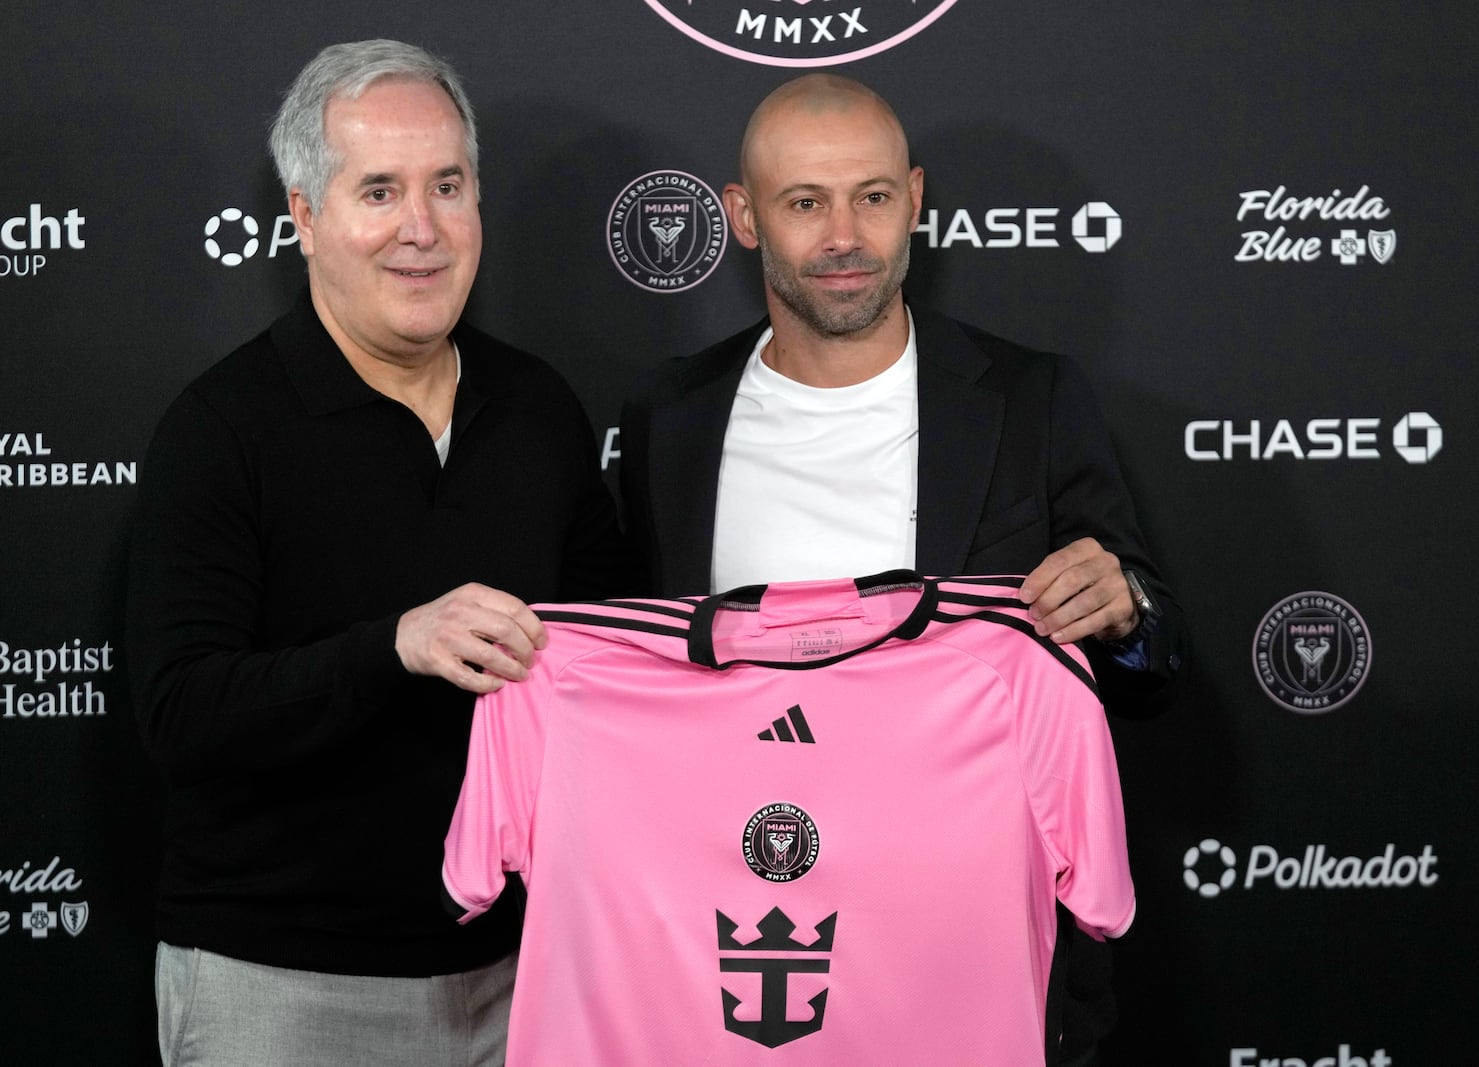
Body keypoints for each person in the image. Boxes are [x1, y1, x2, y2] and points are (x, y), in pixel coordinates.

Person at [620, 73, 1185, 1065]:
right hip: (745, 956)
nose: (846, 234)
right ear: (743, 218)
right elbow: (633, 679)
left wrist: (1124, 610)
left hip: (974, 951)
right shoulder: (673, 414)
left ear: (916, 199)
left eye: (873, 197)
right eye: (805, 203)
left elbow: (1153, 660)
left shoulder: (1031, 396)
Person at [125, 40, 628, 1066]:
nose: (422, 229)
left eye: (448, 185)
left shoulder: (538, 407)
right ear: (306, 216)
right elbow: (181, 714)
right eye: (380, 191)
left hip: (519, 971)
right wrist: (392, 645)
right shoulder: (220, 428)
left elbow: (607, 660)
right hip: (282, 986)